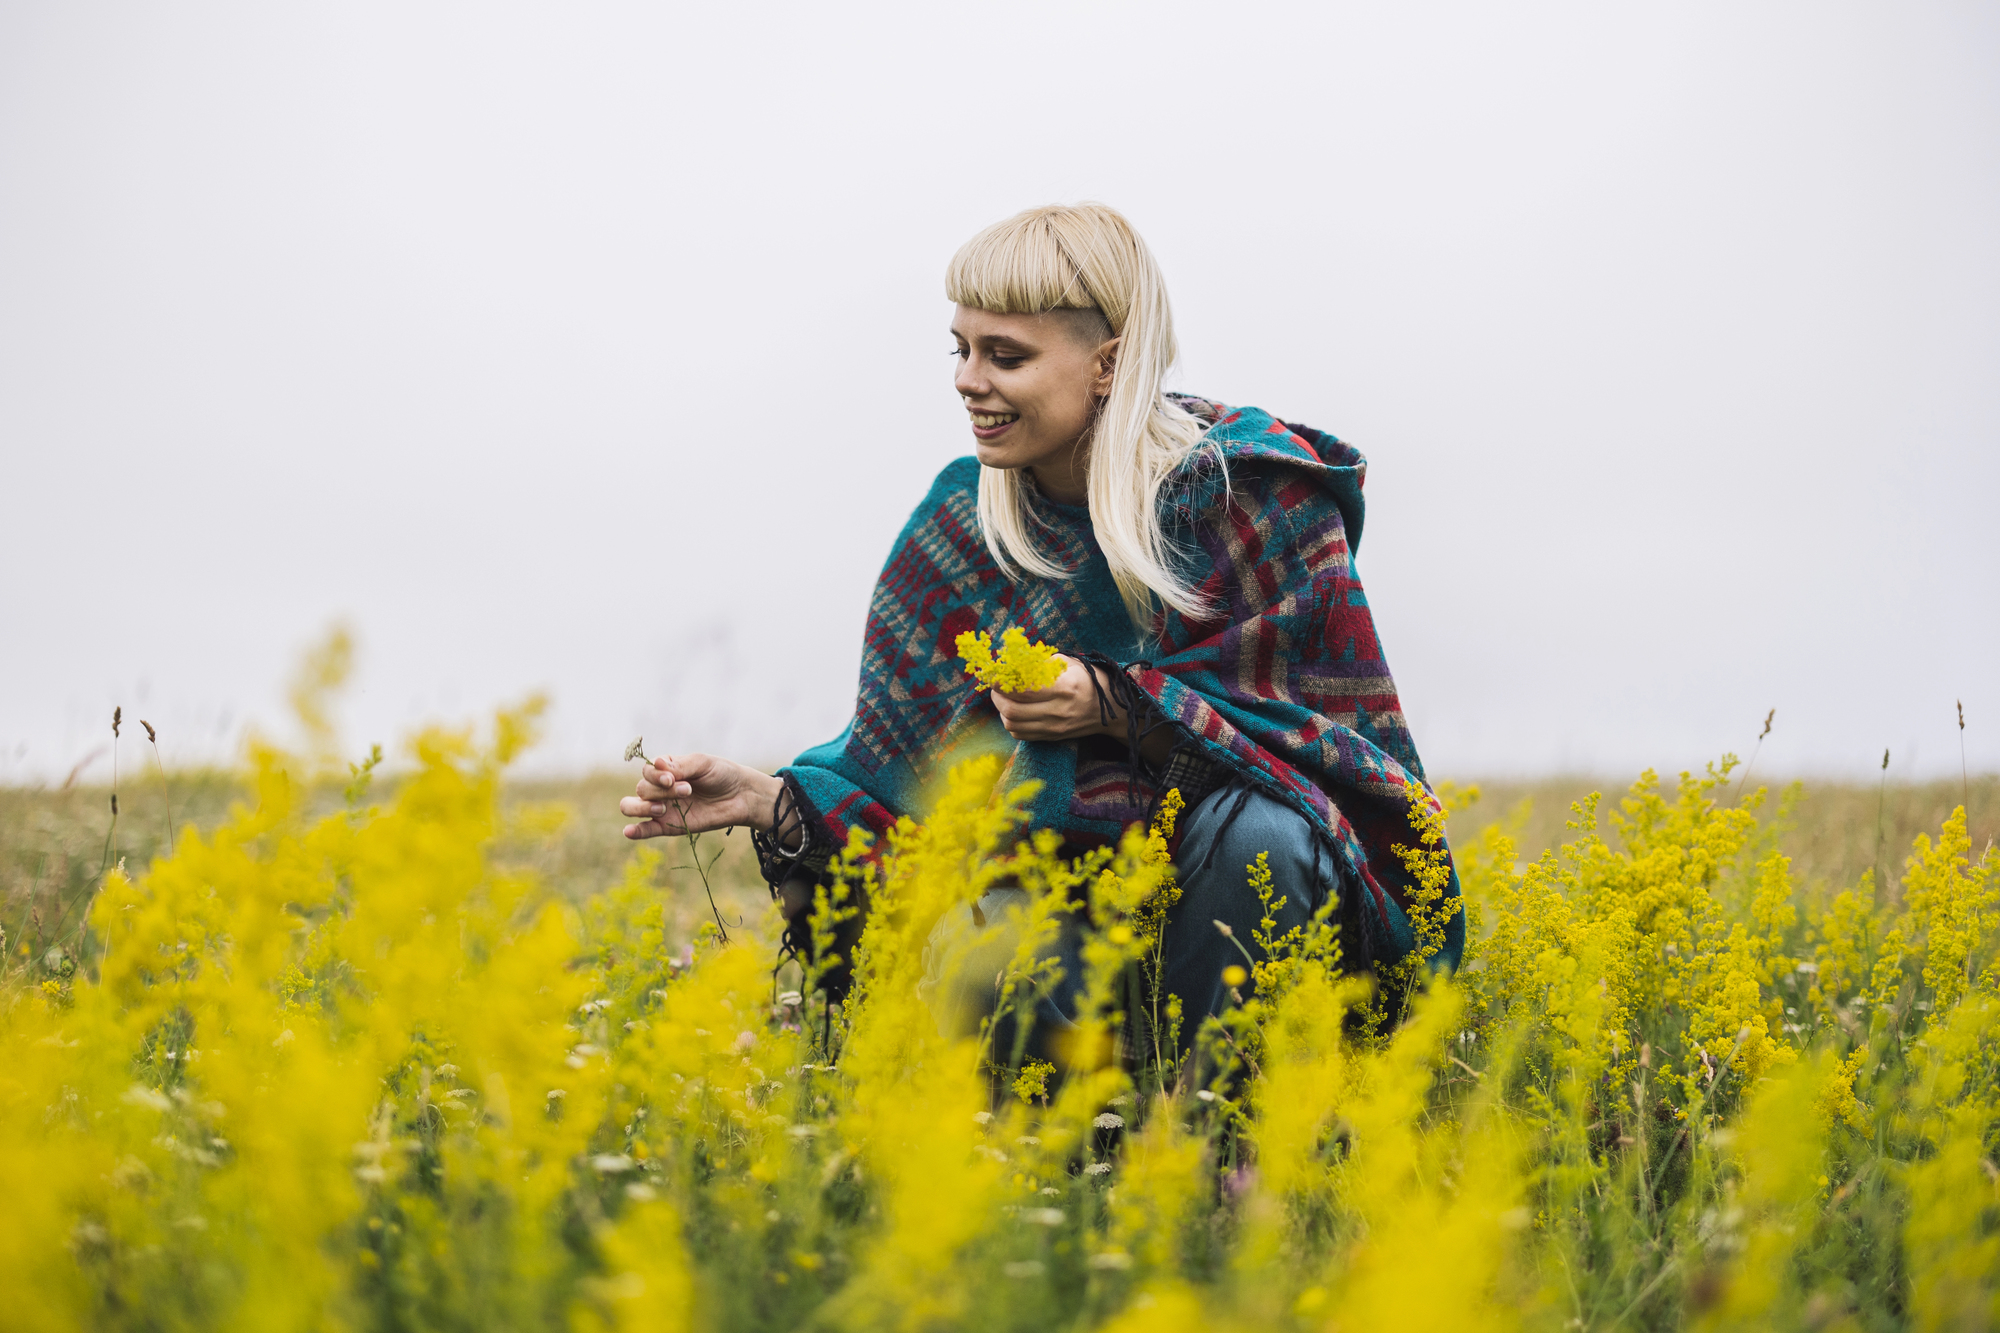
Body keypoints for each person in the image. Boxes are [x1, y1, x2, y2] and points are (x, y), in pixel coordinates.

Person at [620, 202, 1461, 1054]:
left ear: (1107, 364)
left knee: (1264, 834)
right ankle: (1059, 1167)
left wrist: (1117, 704)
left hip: (1252, 922)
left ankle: (1229, 1145)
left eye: (1006, 355)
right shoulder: (960, 530)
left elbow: (1332, 767)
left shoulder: (1257, 505)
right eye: (962, 349)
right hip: (1068, 925)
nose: (967, 379)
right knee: (986, 949)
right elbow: (909, 793)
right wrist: (769, 801)